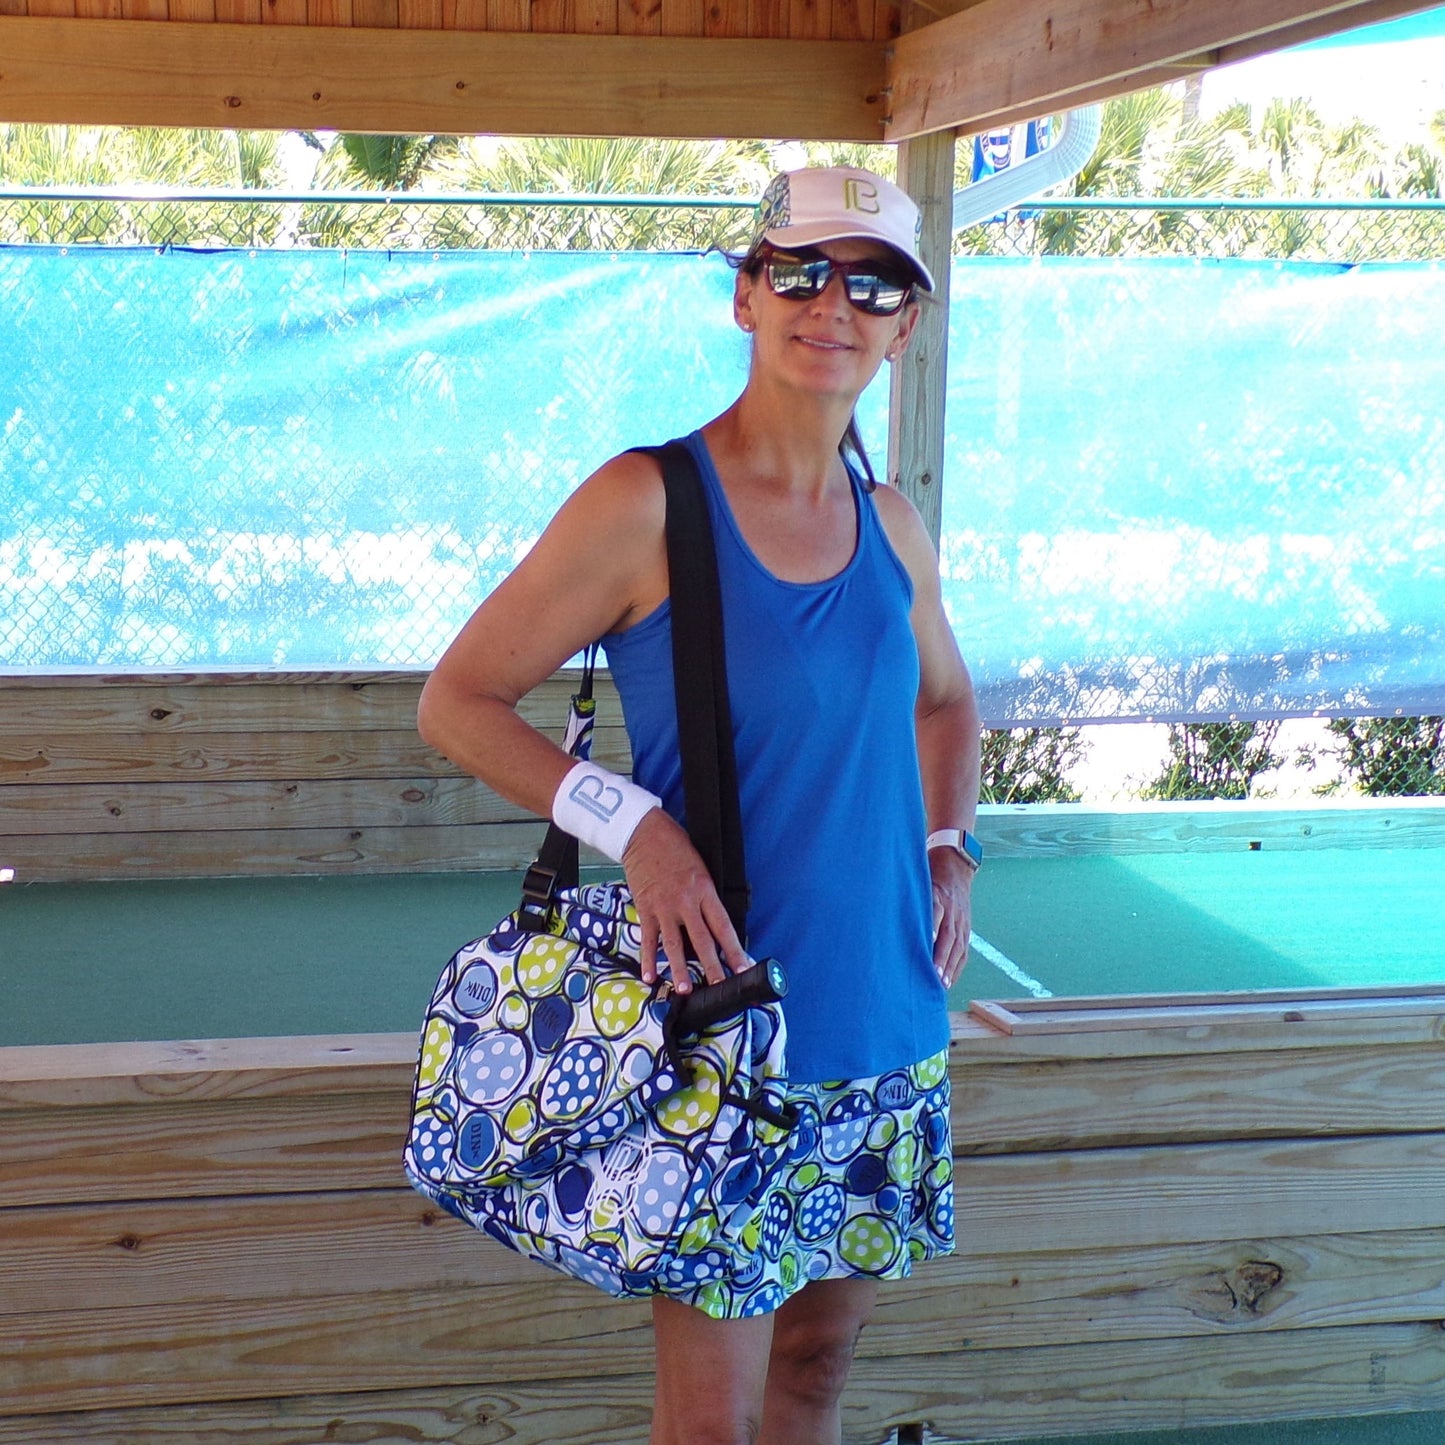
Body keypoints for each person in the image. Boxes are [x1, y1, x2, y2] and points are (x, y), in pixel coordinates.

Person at [417, 164, 982, 1445]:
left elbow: (948, 704)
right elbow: (456, 701)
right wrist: (638, 828)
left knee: (815, 1373)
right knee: (711, 1419)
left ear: (903, 326)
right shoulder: (645, 502)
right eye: (800, 272)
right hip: (727, 1034)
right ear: (745, 296)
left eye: (871, 285)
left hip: (886, 1015)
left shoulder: (891, 524)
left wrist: (948, 846)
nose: (831, 304)